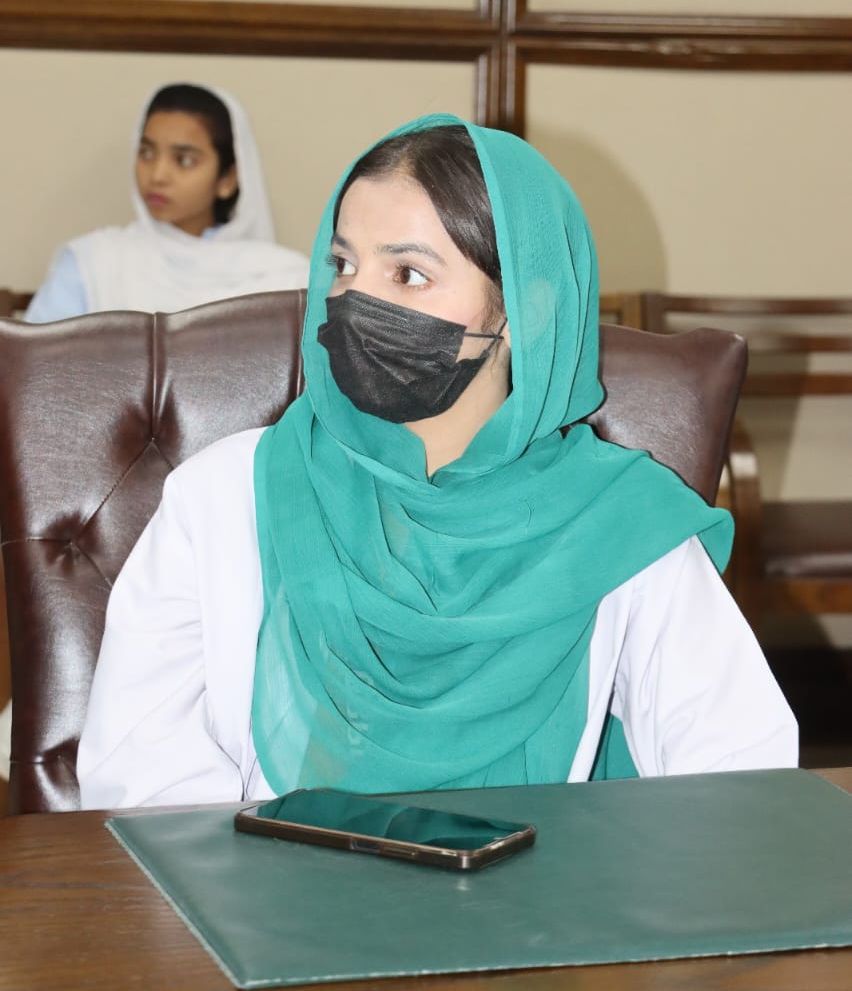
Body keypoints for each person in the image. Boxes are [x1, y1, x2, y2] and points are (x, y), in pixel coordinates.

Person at [77, 113, 797, 809]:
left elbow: (737, 775)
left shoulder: (619, 524)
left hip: (547, 889)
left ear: (524, 308)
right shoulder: (225, 497)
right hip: (261, 883)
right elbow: (142, 781)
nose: (352, 300)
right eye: (343, 264)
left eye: (408, 274)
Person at [25, 82, 309, 321]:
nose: (158, 175)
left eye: (184, 160)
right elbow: (35, 365)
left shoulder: (286, 278)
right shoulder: (92, 262)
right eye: (147, 153)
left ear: (228, 179)